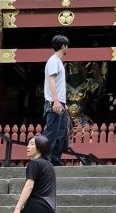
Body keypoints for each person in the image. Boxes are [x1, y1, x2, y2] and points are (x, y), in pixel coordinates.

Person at [43, 34, 69, 166]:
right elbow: (51, 81)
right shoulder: (53, 60)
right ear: (63, 46)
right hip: (54, 102)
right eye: (67, 46)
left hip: (60, 102)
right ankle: (42, 158)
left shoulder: (58, 61)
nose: (67, 48)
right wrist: (56, 101)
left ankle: (54, 158)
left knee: (61, 132)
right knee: (52, 131)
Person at [13, 135, 56, 213]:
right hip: (49, 207)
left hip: (36, 205)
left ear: (40, 146)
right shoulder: (49, 165)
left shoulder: (34, 163)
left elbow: (29, 186)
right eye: (28, 144)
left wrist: (18, 207)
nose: (28, 147)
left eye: (32, 144)